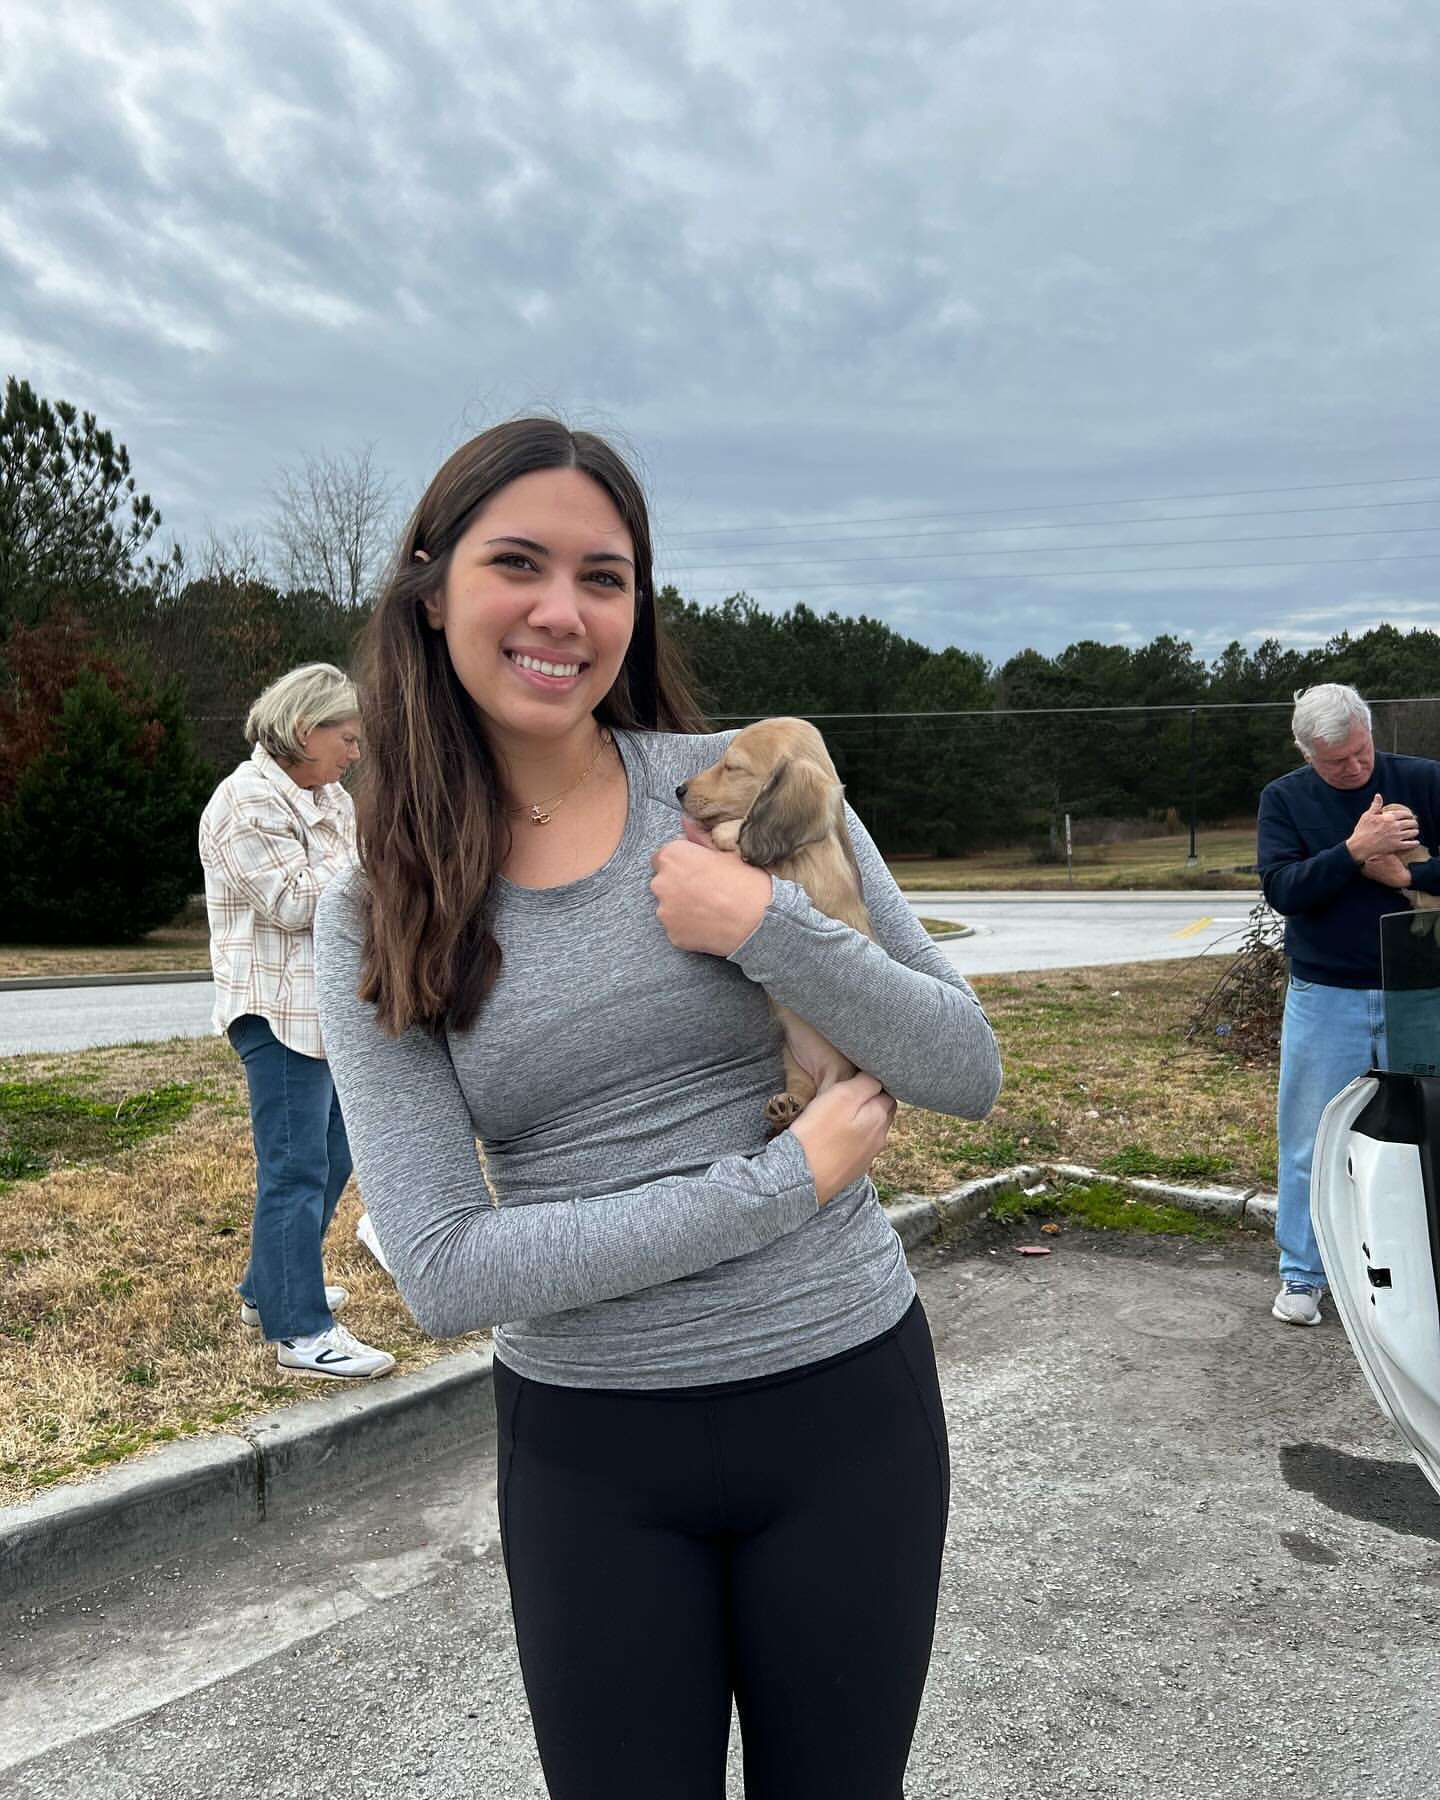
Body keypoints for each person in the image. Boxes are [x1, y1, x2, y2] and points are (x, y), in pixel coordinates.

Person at [313, 418, 1002, 1798]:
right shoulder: (379, 906)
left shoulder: (752, 788)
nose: (563, 612)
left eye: (605, 575)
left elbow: (962, 1068)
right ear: (433, 589)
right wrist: (785, 1180)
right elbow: (447, 1269)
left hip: (847, 1412)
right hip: (593, 1460)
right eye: (519, 563)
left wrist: (766, 924)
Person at [198, 662, 395, 1380]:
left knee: (336, 1154)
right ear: (302, 729)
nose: (354, 753)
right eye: (345, 738)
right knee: (296, 1167)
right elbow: (295, 902)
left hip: (330, 1011)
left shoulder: (330, 796)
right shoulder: (245, 803)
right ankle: (301, 1332)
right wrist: (384, 868)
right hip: (276, 1014)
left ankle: (268, 1287)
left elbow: (359, 878)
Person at [1258, 682, 1440, 1326]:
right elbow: (1284, 890)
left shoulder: (1424, 781)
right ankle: (1303, 1277)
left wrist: (1411, 874)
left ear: (1370, 734)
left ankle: (1424, 1273)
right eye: (1337, 762)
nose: (1356, 768)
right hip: (1325, 993)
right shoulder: (1285, 800)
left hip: (1419, 993)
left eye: (1362, 752)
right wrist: (1354, 851)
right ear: (1307, 753)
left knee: (1426, 1131)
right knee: (1308, 1139)